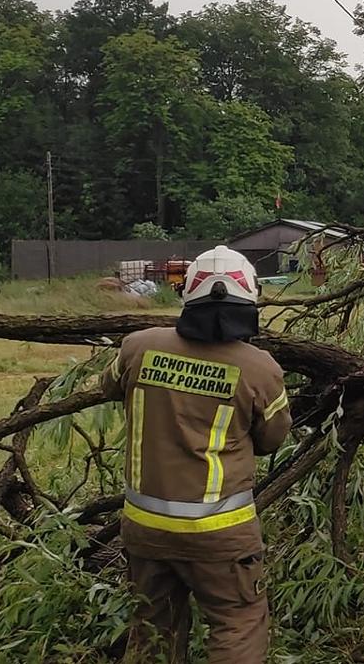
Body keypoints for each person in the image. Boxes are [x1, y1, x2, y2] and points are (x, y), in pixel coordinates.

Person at [104, 245, 290, 664]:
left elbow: (109, 386)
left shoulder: (137, 347)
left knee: (153, 631)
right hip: (222, 534)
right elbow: (272, 439)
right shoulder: (260, 369)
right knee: (238, 624)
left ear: (187, 294)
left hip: (145, 529)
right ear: (250, 299)